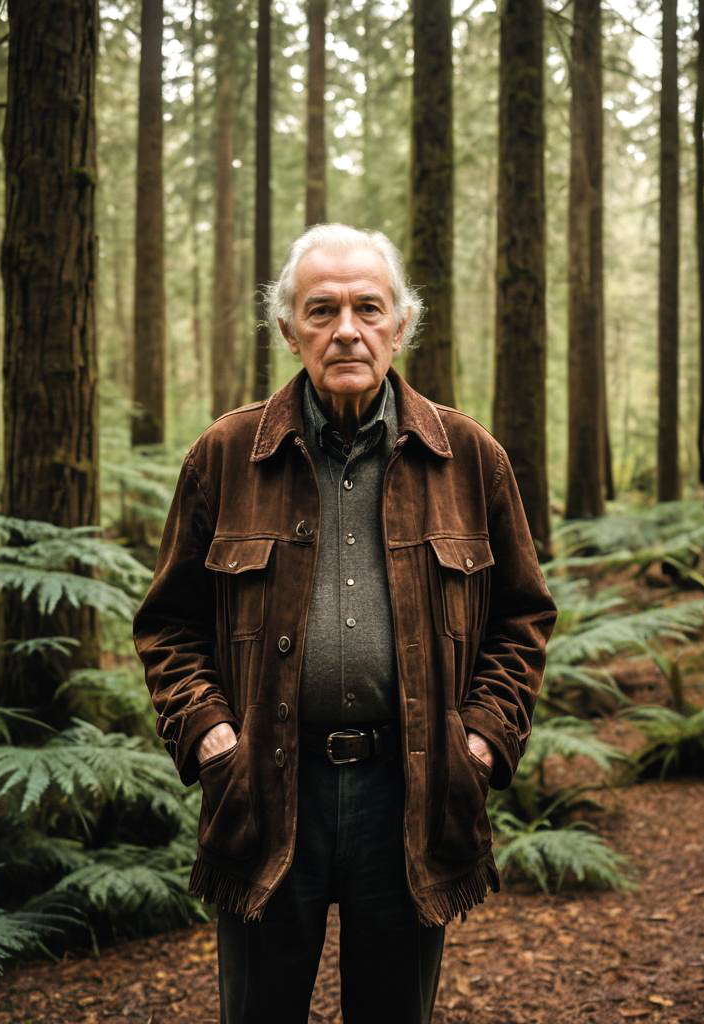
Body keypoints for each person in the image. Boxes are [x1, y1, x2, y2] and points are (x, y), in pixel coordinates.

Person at [132, 223, 557, 1023]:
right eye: (321, 310)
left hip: (414, 793)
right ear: (289, 330)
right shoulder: (224, 457)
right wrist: (211, 735)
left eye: (369, 307)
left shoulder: (470, 458)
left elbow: (522, 616)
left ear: (402, 324)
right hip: (261, 788)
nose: (347, 330)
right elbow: (169, 624)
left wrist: (481, 739)